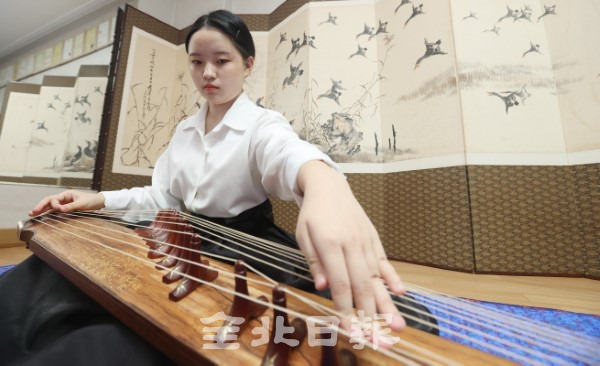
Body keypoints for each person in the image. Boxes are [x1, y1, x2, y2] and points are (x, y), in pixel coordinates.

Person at [2, 9, 434, 365]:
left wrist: (326, 185)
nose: (207, 73)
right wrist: (94, 199)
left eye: (222, 60)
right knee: (50, 276)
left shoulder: (262, 125)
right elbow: (163, 198)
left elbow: (289, 154)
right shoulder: (185, 131)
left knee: (388, 318)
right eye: (196, 61)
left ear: (247, 65)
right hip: (185, 237)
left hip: (245, 245)